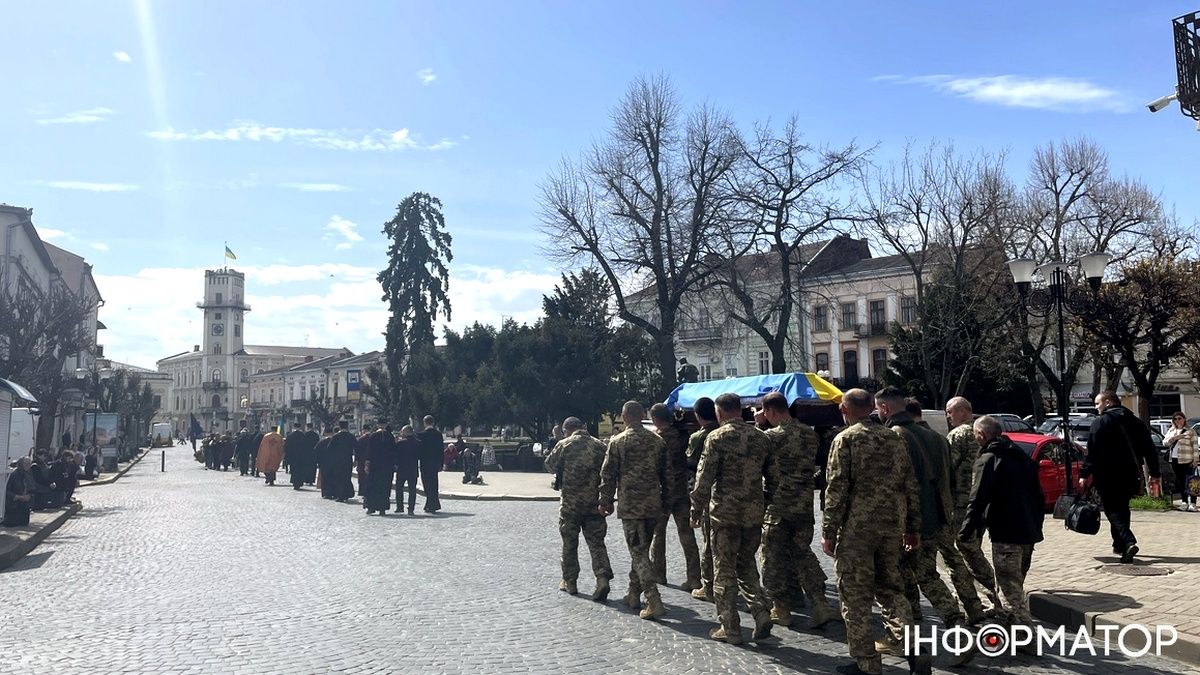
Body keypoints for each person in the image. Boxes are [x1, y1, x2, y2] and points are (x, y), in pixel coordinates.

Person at [821, 388, 927, 675]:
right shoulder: (895, 438)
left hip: (857, 530)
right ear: (871, 407)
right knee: (891, 589)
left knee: (855, 596)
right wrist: (913, 527)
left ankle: (867, 663)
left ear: (845, 409)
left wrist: (829, 531)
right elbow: (910, 485)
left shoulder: (846, 439)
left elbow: (836, 489)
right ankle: (914, 647)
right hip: (891, 527)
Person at [876, 386, 977, 630]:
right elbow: (950, 479)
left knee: (916, 574)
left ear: (885, 408)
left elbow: (899, 484)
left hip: (913, 519)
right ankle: (966, 612)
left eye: (878, 408)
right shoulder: (938, 438)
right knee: (932, 568)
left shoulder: (894, 437)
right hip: (940, 515)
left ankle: (953, 624)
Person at [688, 393, 773, 644]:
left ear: (720, 412)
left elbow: (704, 478)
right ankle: (760, 610)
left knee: (724, 568)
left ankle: (730, 627)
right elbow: (773, 476)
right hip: (753, 513)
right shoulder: (761, 437)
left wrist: (695, 509)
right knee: (746, 564)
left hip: (724, 515)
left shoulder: (716, 437)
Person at [759, 392, 840, 629]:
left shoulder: (770, 437)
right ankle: (820, 603)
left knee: (771, 558)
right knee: (802, 554)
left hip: (777, 506)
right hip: (803, 505)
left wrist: (760, 426)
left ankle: (780, 608)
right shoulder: (809, 434)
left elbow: (759, 461)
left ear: (770, 411)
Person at [959, 416, 1044, 627]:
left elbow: (977, 500)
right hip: (1028, 533)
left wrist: (965, 532)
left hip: (1006, 534)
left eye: (975, 435)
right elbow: (1039, 496)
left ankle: (1025, 635)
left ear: (982, 435)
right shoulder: (1021, 456)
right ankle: (1006, 624)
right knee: (1014, 585)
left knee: (1010, 593)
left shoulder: (989, 459)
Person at [599, 401, 667, 621]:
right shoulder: (657, 441)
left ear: (625, 416)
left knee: (638, 553)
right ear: (642, 415)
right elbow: (667, 475)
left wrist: (605, 500)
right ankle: (633, 594)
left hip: (631, 506)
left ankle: (654, 600)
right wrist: (666, 501)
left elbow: (608, 474)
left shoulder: (618, 441)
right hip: (652, 504)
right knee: (641, 550)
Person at [1079, 391, 1161, 563]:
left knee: (1112, 509)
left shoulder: (1101, 422)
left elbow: (1092, 451)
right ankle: (1119, 544)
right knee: (1122, 507)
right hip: (1130, 473)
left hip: (1107, 473)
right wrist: (1155, 473)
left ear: (1108, 402)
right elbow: (1149, 450)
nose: (1096, 407)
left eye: (1098, 403)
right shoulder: (1136, 422)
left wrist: (1085, 473)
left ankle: (1128, 541)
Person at [944, 396, 1001, 616]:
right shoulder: (986, 432)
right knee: (973, 547)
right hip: (985, 502)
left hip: (963, 503)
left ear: (963, 411)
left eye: (950, 411)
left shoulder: (958, 434)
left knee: (967, 549)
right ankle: (983, 594)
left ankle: (993, 595)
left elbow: (948, 467)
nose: (948, 416)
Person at [544, 416, 613, 600]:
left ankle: (570, 581)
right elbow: (609, 472)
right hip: (594, 504)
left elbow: (549, 466)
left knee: (569, 544)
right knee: (597, 544)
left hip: (570, 505)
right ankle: (602, 578)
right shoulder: (599, 446)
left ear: (567, 430)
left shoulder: (564, 444)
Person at [648, 403, 701, 590]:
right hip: (681, 490)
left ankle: (659, 573)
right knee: (687, 534)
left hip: (662, 492)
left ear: (655, 419)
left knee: (658, 534)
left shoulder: (656, 439)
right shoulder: (682, 435)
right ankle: (694, 577)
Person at [686, 397, 720, 602]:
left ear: (698, 416)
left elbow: (691, 465)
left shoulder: (699, 437)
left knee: (709, 542)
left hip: (708, 495)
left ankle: (708, 585)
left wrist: (695, 506)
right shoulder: (723, 431)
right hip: (733, 495)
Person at [1163, 411, 1198, 511]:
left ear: (1184, 419)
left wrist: (1195, 460)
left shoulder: (1190, 431)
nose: (1177, 420)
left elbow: (1195, 446)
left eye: (1179, 418)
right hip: (1175, 459)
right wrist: (1174, 438)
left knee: (1191, 481)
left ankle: (1193, 503)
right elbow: (1165, 442)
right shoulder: (1171, 431)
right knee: (1180, 481)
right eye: (1175, 419)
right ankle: (1184, 502)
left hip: (1188, 459)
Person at [364, 424, 397, 515]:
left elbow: (369, 451)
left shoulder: (373, 436)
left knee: (373, 486)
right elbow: (394, 451)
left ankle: (371, 507)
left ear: (378, 425)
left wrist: (367, 464)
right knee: (385, 487)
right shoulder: (390, 436)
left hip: (375, 466)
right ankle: (382, 508)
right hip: (387, 466)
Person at [418, 416, 444, 513]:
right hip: (435, 462)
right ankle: (432, 504)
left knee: (426, 483)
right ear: (433, 423)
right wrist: (441, 463)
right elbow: (441, 450)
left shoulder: (421, 435)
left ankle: (430, 503)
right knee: (434, 483)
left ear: (424, 423)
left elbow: (419, 450)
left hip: (425, 462)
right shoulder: (438, 434)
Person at [329, 421, 358, 502]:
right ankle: (346, 494)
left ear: (339, 427)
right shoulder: (351, 436)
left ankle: (340, 495)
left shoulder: (336, 436)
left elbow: (330, 449)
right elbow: (357, 449)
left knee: (338, 478)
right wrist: (356, 460)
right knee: (347, 477)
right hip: (348, 460)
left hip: (337, 461)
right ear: (347, 427)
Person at [4, 457, 36, 526]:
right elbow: (6, 490)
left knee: (24, 523)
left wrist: (29, 495)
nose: (28, 466)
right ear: (21, 464)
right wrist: (17, 496)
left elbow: (33, 488)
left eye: (29, 464)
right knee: (13, 524)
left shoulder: (29, 474)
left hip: (25, 504)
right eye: (26, 463)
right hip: (14, 504)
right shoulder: (13, 474)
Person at [395, 425, 420, 514]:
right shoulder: (418, 443)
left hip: (402, 468)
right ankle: (411, 509)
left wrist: (395, 465)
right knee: (412, 490)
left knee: (399, 489)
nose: (401, 433)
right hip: (413, 469)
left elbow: (396, 456)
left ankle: (399, 507)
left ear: (406, 432)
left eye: (402, 431)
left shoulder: (400, 443)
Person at [284, 424, 308, 490]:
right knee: (300, 470)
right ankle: (299, 482)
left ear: (294, 427)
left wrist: (287, 455)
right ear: (300, 427)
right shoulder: (303, 435)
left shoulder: (290, 436)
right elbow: (306, 447)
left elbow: (286, 446)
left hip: (292, 456)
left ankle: (294, 482)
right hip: (301, 456)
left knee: (293, 470)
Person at [315, 427, 336, 499]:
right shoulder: (335, 441)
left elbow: (316, 451)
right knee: (333, 478)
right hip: (334, 463)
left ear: (325, 433)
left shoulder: (322, 442)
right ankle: (334, 492)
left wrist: (318, 462)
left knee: (325, 479)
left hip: (324, 463)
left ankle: (326, 493)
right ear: (332, 433)